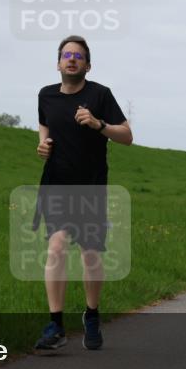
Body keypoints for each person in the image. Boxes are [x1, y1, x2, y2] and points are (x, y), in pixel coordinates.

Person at [33, 36, 132, 351]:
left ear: (88, 64)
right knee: (57, 248)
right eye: (66, 54)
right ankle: (56, 325)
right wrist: (42, 145)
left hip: (90, 186)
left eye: (78, 55)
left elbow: (127, 136)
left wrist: (97, 123)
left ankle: (91, 314)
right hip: (56, 185)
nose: (71, 59)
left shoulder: (100, 95)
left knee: (90, 255)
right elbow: (44, 127)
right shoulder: (46, 96)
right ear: (58, 62)